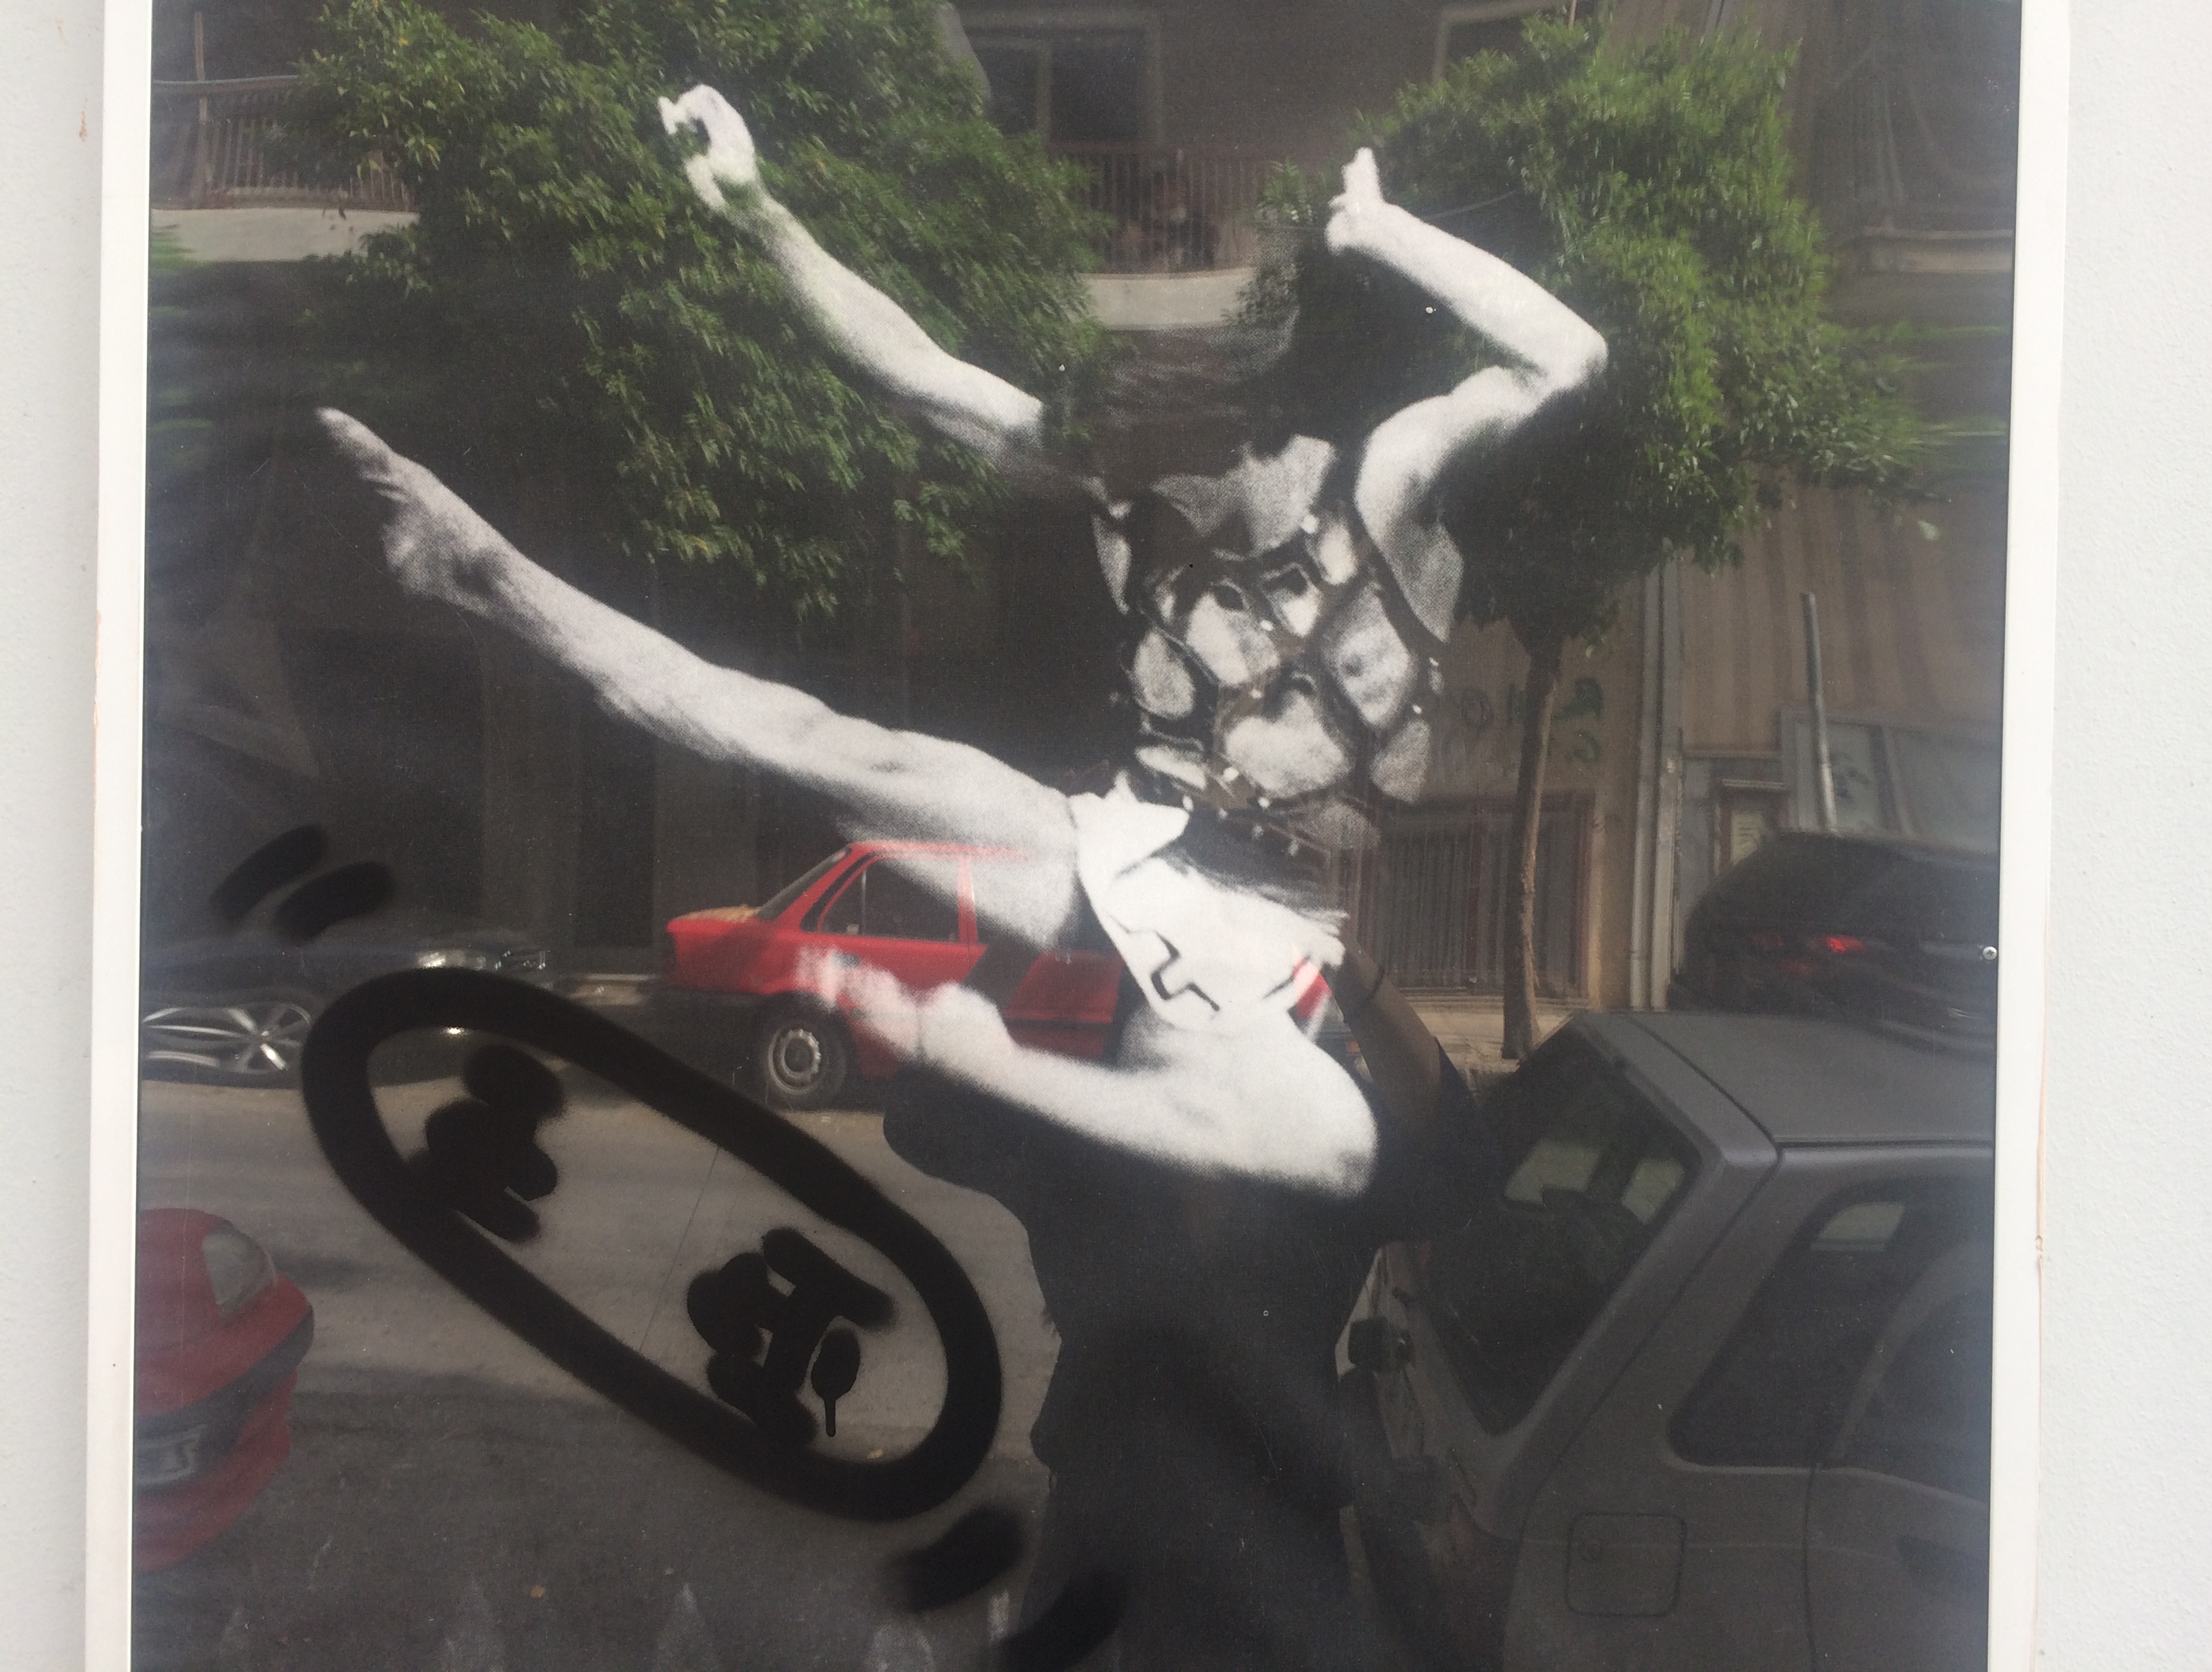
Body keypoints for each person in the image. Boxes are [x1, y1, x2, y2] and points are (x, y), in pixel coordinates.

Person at [316, 79, 1592, 1667]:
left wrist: (1383, 230)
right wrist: (762, 212)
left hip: (1251, 995)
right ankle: (479, 571)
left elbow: (1563, 355)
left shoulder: (1383, 476)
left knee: (1288, 1149)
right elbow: (918, 373)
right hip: (1134, 876)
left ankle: (484, 577)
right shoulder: (1145, 482)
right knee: (828, 745)